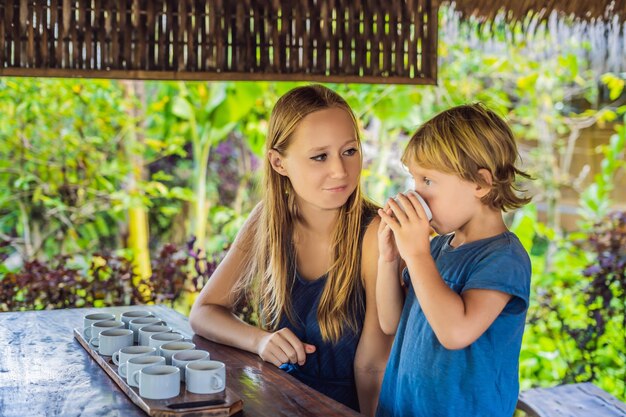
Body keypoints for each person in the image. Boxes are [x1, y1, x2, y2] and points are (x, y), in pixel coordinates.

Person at [189, 84, 393, 415]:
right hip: (272, 400)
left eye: (350, 151)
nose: (340, 171)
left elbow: (372, 366)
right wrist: (260, 341)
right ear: (278, 162)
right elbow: (204, 311)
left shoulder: (375, 232)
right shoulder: (266, 222)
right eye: (319, 156)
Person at [375, 103, 532, 417]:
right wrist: (389, 259)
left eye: (428, 182)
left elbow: (456, 332)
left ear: (481, 183)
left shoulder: (504, 258)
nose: (416, 195)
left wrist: (417, 253)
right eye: (415, 181)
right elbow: (390, 321)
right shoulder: (436, 250)